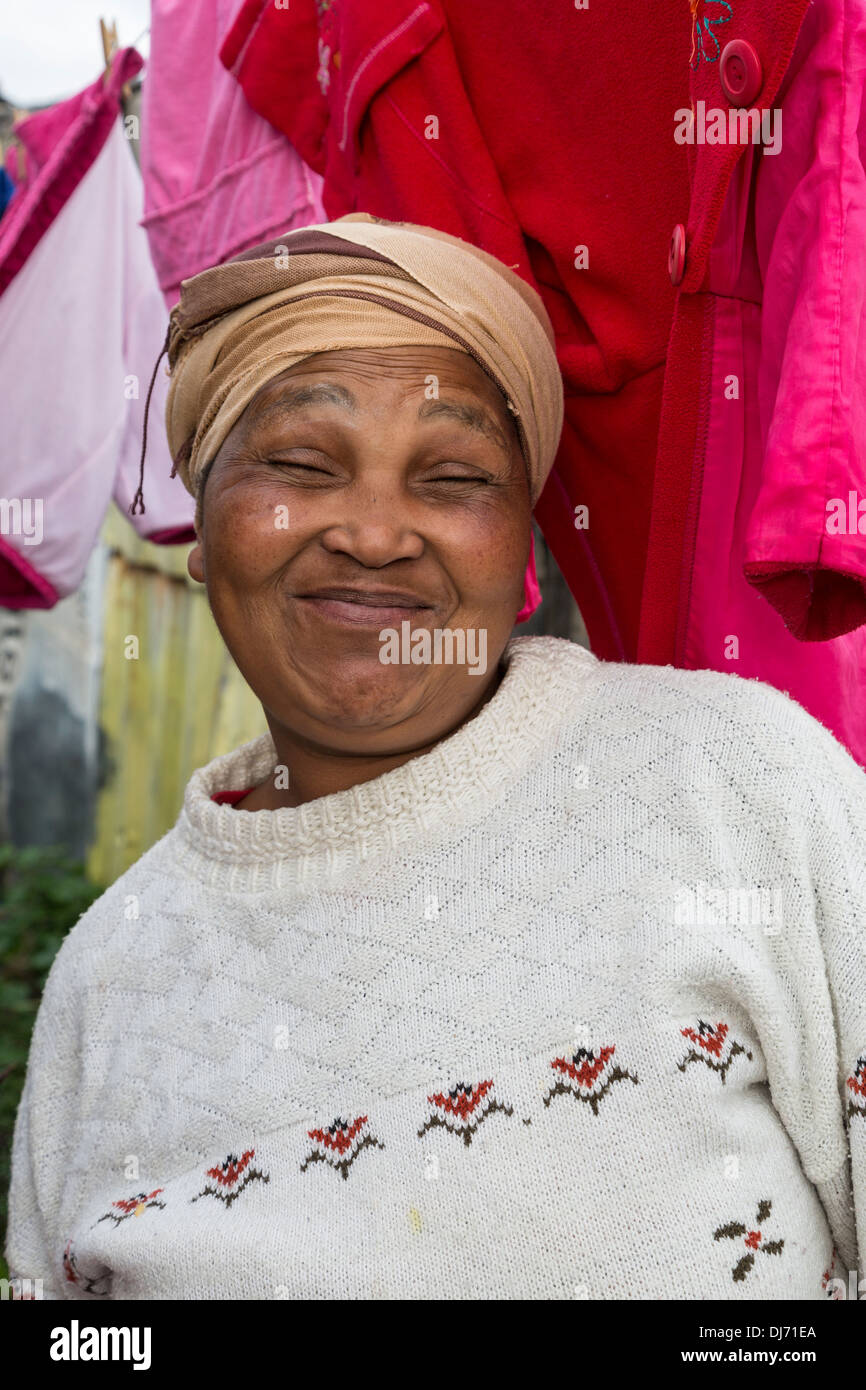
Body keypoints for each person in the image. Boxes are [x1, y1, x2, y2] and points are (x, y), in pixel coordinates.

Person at [6, 215, 865, 1300]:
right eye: (299, 462)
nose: (373, 532)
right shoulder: (110, 977)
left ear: (519, 542)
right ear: (203, 524)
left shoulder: (736, 788)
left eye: (452, 475)